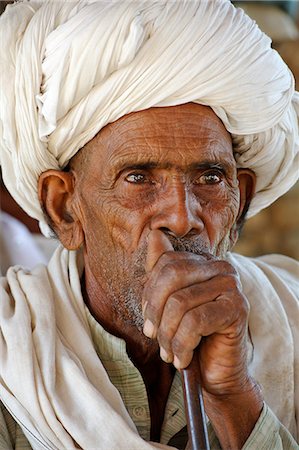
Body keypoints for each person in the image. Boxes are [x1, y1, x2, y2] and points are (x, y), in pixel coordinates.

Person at [0, 1, 298, 449]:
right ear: (65, 209)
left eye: (210, 178)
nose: (182, 216)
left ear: (241, 203)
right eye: (137, 178)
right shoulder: (12, 363)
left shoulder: (291, 319)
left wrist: (235, 397)